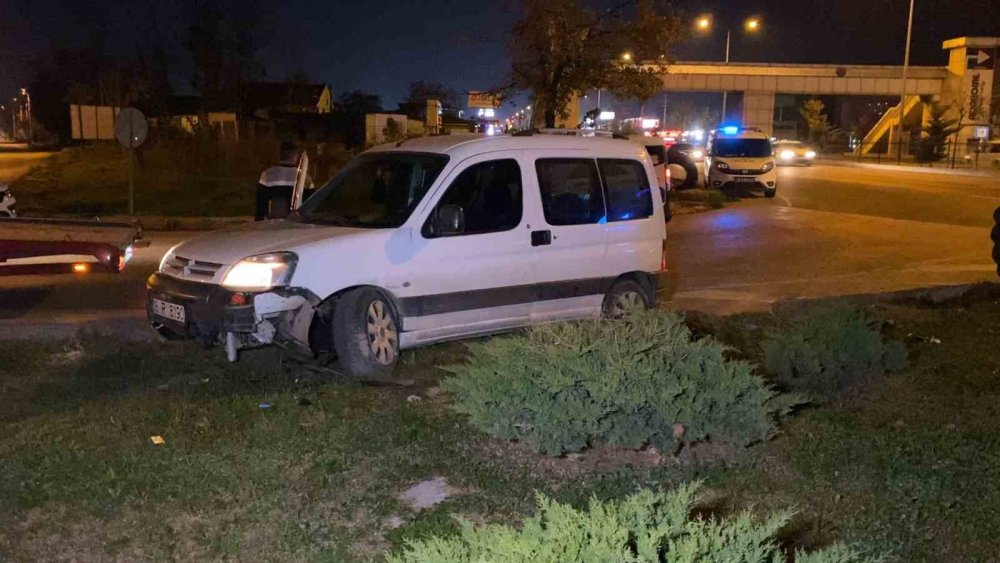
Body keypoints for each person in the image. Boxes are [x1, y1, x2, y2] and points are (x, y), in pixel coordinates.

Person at [256, 142, 314, 220]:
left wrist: (259, 222)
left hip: (272, 222)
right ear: (294, 156)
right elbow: (311, 203)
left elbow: (260, 203)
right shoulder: (304, 177)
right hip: (296, 223)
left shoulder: (267, 174)